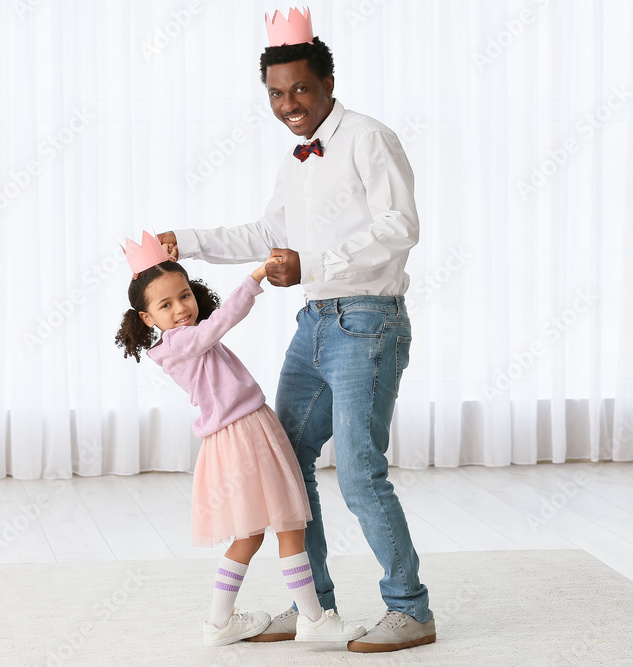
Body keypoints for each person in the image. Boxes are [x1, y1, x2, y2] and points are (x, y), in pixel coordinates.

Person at [158, 7, 435, 654]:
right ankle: (317, 608)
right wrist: (188, 240)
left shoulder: (369, 138)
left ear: (329, 82)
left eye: (301, 90)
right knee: (287, 462)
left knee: (362, 471)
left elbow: (401, 226)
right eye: (277, 94)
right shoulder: (297, 161)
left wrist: (310, 264)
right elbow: (266, 235)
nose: (289, 104)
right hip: (314, 322)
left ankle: (410, 608)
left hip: (367, 322)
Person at [115, 231, 366, 648]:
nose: (180, 309)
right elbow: (221, 322)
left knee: (254, 534)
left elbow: (210, 326)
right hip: (243, 434)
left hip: (244, 432)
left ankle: (221, 622)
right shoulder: (182, 343)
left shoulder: (187, 338)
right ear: (147, 319)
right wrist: (255, 278)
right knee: (288, 523)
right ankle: (312, 618)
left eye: (184, 296)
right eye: (165, 305)